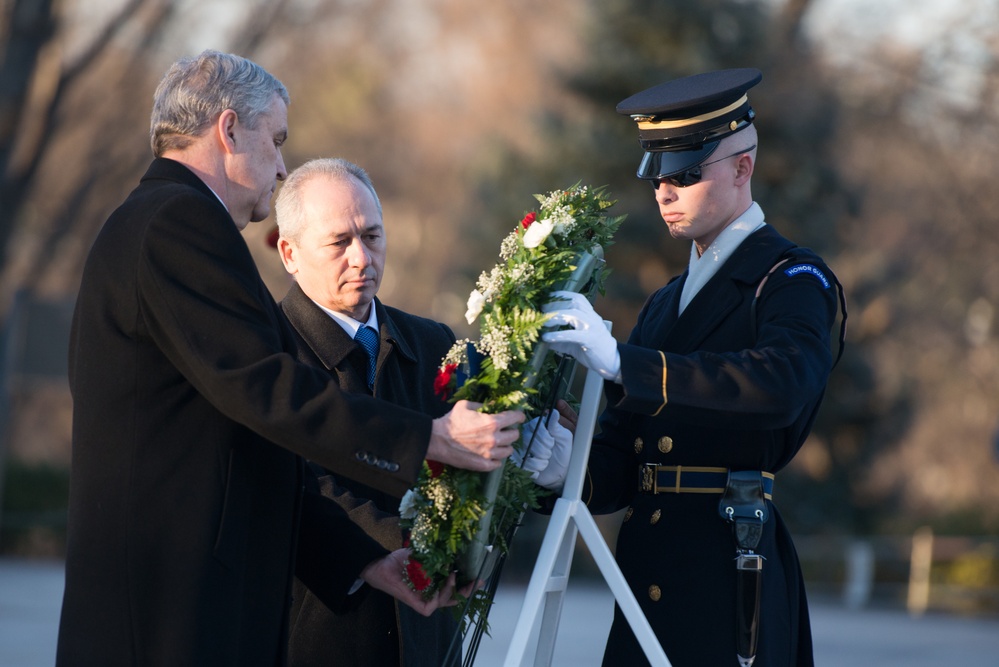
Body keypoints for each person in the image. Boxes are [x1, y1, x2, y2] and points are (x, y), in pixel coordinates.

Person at [57, 50, 523, 666]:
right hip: (168, 610)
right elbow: (270, 393)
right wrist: (430, 437)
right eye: (275, 140)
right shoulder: (177, 223)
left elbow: (259, 449)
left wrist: (369, 563)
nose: (281, 166)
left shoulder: (165, 221)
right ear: (228, 130)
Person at [540, 68, 846, 666]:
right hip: (648, 572)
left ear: (741, 166)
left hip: (729, 567)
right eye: (657, 173)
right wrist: (562, 464)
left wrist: (627, 366)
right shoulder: (664, 302)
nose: (664, 191)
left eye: (684, 172)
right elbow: (629, 464)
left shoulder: (789, 278)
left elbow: (783, 382)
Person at [271, 158, 460, 666]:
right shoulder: (267, 351)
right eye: (339, 243)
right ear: (289, 252)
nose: (362, 258)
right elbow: (288, 480)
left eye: (372, 236)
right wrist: (383, 548)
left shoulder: (433, 342)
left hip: (426, 636)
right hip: (316, 631)